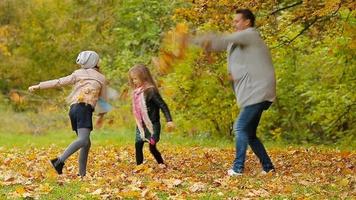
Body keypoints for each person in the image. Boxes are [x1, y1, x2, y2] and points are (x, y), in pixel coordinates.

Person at [191, 9, 275, 176]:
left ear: (247, 22)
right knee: (250, 134)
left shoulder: (249, 34)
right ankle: (268, 167)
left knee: (239, 128)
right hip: (258, 91)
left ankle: (238, 168)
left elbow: (222, 40)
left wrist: (193, 40)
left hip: (258, 92)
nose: (234, 24)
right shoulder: (245, 40)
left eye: (237, 21)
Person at [28, 50, 107, 177]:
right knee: (83, 139)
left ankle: (82, 174)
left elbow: (59, 81)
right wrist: (101, 116)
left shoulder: (78, 73)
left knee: (86, 143)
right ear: (95, 62)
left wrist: (39, 86)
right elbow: (103, 100)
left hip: (74, 110)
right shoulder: (101, 78)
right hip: (84, 109)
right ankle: (59, 161)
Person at [128, 64, 174, 168]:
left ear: (143, 77)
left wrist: (169, 120)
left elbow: (162, 105)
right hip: (141, 125)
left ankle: (161, 163)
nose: (134, 81)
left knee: (152, 146)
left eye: (135, 79)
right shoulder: (137, 93)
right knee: (138, 144)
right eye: (132, 79)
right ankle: (139, 166)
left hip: (153, 124)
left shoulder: (151, 91)